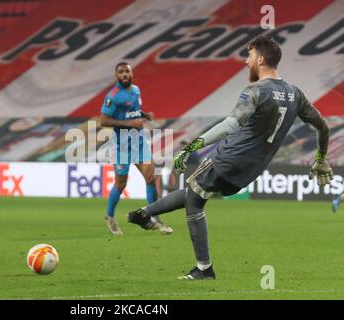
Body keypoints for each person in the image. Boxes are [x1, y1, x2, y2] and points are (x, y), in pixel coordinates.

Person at [127, 35, 333, 279]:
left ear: (261, 59)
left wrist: (191, 146)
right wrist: (320, 157)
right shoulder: (295, 94)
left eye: (250, 56)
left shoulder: (255, 91)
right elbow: (323, 126)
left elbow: (230, 124)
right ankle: (145, 213)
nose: (247, 62)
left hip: (229, 156)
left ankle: (204, 269)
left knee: (194, 198)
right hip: (252, 168)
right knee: (194, 192)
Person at [100, 62, 173, 236]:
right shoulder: (113, 96)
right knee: (121, 183)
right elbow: (104, 120)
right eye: (121, 72)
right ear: (116, 76)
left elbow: (133, 111)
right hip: (121, 146)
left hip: (139, 142)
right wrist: (128, 123)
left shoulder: (136, 90)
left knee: (150, 177)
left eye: (127, 71)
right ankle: (110, 217)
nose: (124, 74)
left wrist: (144, 114)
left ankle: (155, 218)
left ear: (132, 74)